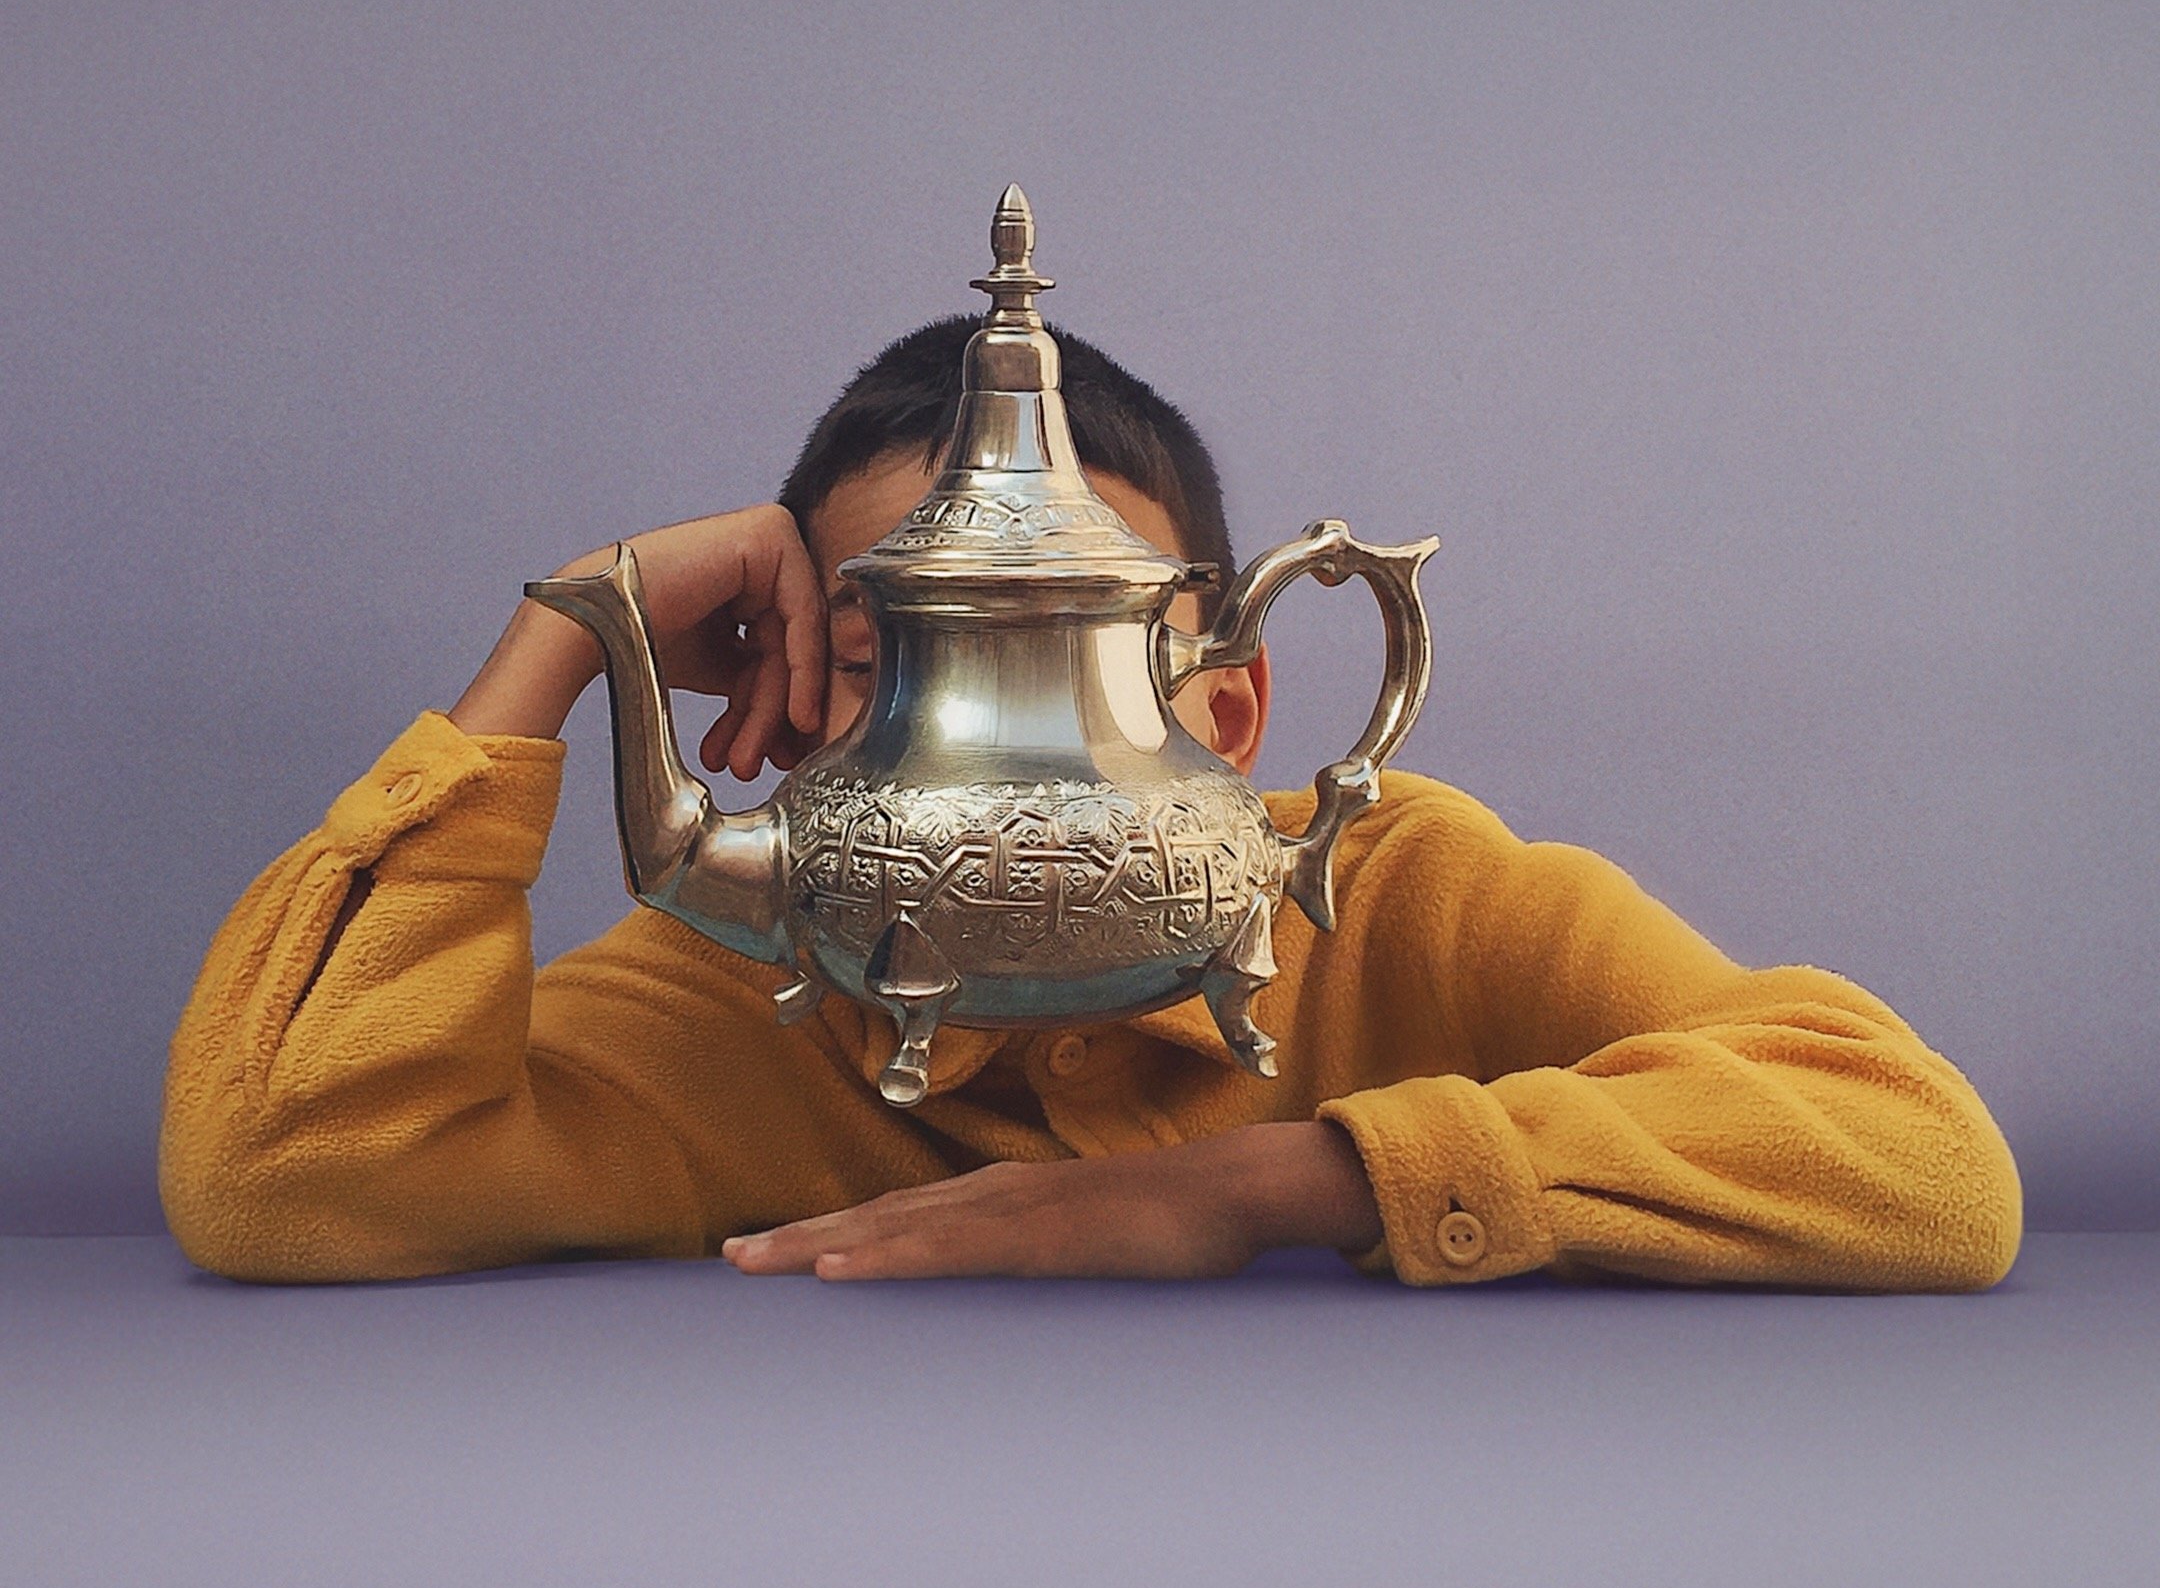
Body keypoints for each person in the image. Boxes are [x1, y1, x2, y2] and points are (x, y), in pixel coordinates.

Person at [160, 317, 2022, 1291]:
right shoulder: (746, 994)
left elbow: (1922, 1157)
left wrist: (1268, 1191)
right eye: (882, 662)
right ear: (795, 712)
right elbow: (278, 1168)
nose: (982, 748)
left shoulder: (1392, 891)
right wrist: (561, 648)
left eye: (1074, 662)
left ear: (1231, 697)